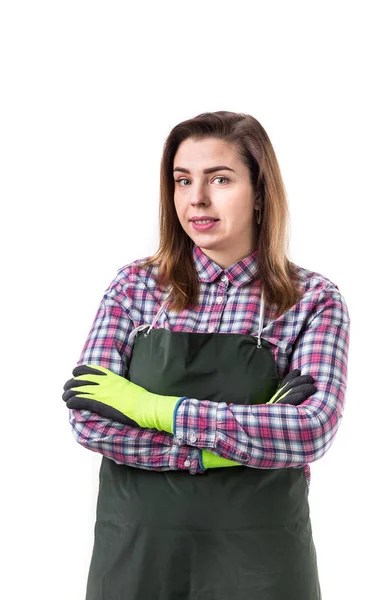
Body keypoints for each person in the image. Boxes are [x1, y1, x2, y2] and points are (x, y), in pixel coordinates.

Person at [62, 110, 351, 600]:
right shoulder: (134, 288)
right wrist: (235, 446)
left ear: (260, 193)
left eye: (220, 179)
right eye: (182, 180)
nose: (196, 198)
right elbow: (90, 422)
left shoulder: (312, 299)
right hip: (136, 560)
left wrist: (154, 409)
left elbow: (312, 429)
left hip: (263, 566)